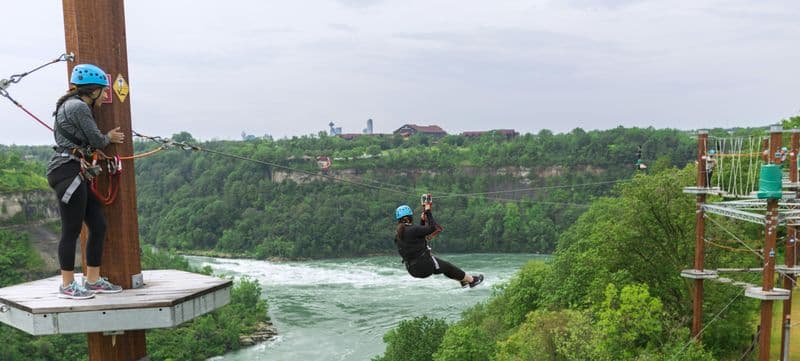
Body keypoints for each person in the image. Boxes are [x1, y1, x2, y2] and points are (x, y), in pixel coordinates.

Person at [46, 63, 125, 299]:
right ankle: (67, 285)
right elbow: (97, 139)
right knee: (71, 230)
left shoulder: (71, 105)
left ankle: (92, 280)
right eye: (104, 90)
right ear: (93, 90)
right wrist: (108, 137)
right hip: (67, 171)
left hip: (71, 169)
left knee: (98, 224)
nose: (105, 95)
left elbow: (86, 141)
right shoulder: (79, 107)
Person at [394, 203, 484, 288]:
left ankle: (463, 280)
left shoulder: (399, 233)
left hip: (412, 269)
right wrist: (428, 211)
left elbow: (419, 234)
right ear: (410, 217)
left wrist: (422, 220)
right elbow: (432, 228)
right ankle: (472, 280)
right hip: (424, 266)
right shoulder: (412, 229)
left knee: (446, 268)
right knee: (448, 267)